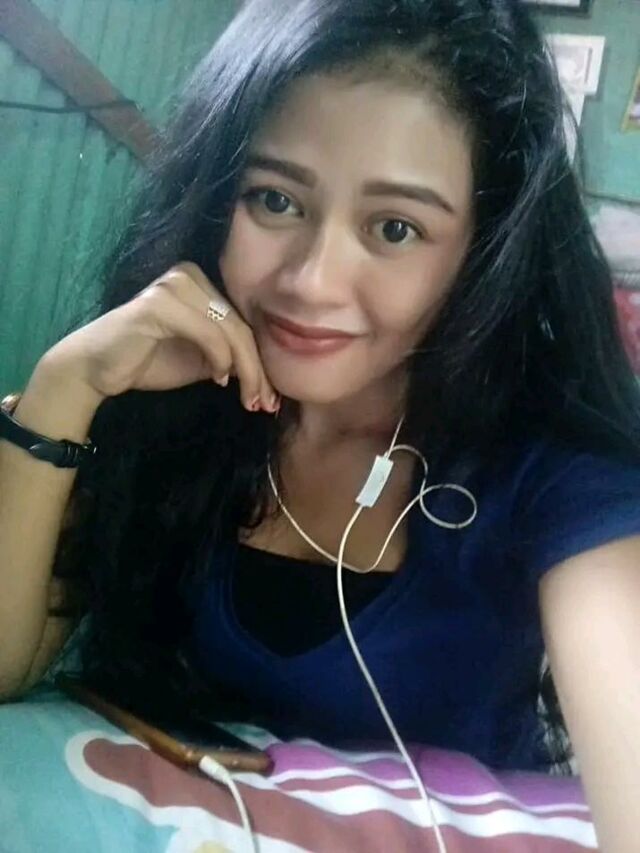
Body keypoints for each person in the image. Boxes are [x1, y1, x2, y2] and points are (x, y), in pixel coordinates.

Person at [1, 0, 639, 848]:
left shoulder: (556, 472)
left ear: (483, 252)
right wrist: (63, 387)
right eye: (275, 199)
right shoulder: (166, 401)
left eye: (395, 228)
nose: (311, 279)